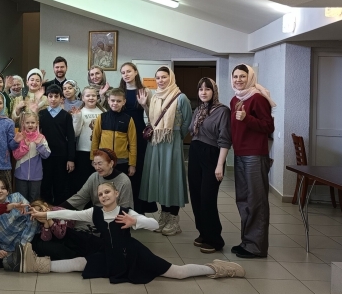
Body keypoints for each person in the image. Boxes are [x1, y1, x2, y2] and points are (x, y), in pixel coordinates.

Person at [21, 183, 245, 282]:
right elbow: (70, 213)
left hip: (133, 254)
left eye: (107, 192)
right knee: (79, 263)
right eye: (100, 194)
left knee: (176, 273)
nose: (104, 196)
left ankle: (216, 268)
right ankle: (37, 265)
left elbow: (154, 224)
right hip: (109, 255)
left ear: (116, 194)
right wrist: (46, 213)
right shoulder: (94, 212)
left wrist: (135, 220)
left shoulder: (127, 212)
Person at [138, 67, 192, 235]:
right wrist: (144, 105)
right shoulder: (154, 97)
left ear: (171, 77)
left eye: (164, 77)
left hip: (171, 142)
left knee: (172, 179)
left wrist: (176, 136)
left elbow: (187, 122)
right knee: (160, 179)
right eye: (158, 78)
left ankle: (174, 220)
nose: (160, 80)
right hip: (156, 143)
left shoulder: (181, 97)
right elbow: (152, 119)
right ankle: (164, 215)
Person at [230, 64, 276, 258]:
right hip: (240, 154)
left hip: (255, 155)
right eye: (235, 76)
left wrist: (247, 118)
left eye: (242, 76)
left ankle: (257, 247)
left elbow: (268, 126)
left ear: (250, 78)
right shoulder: (235, 99)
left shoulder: (257, 98)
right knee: (243, 199)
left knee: (256, 200)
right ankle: (247, 242)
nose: (238, 80)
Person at [188, 78, 231, 253]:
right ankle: (203, 233)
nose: (203, 92)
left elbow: (225, 139)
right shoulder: (199, 109)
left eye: (207, 89)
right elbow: (192, 131)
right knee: (196, 196)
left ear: (214, 91)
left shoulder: (222, 111)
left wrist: (220, 165)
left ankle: (215, 239)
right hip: (195, 153)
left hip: (212, 156)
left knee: (208, 198)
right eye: (200, 89)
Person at [118, 62, 157, 214]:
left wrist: (144, 104)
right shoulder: (120, 91)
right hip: (122, 133)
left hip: (139, 133)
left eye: (128, 71)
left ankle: (139, 210)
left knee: (138, 170)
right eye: (123, 72)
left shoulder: (144, 90)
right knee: (123, 169)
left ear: (135, 72)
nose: (126, 74)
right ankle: (123, 208)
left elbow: (152, 116)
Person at [0, 177, 38, 265]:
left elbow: (32, 218)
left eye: (3, 188)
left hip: (32, 237)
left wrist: (23, 244)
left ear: (7, 191)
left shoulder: (17, 198)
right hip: (12, 251)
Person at [60, 149, 134, 214]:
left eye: (99, 164)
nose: (96, 168)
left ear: (111, 163)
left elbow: (126, 208)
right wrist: (58, 209)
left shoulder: (124, 180)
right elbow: (80, 197)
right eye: (95, 164)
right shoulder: (94, 177)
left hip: (116, 217)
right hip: (96, 215)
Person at [38, 85, 76, 205]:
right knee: (46, 183)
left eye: (56, 96)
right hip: (45, 156)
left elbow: (71, 138)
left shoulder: (66, 115)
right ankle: (45, 209)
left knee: (60, 185)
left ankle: (59, 211)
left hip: (61, 156)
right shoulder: (41, 114)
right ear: (47, 98)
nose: (53, 99)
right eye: (50, 96)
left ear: (61, 98)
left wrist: (71, 159)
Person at [91, 88, 137, 178]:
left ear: (124, 102)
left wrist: (132, 164)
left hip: (122, 160)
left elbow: (133, 143)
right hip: (103, 159)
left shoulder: (128, 119)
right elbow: (95, 139)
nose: (115, 103)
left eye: (118, 101)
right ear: (108, 100)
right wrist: (93, 158)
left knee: (119, 183)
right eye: (113, 100)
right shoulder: (102, 117)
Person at [12, 111, 51, 201]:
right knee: (21, 201)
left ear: (37, 123)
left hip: (36, 176)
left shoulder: (41, 138)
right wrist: (25, 146)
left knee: (34, 200)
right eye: (27, 122)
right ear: (23, 123)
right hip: (21, 174)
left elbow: (46, 155)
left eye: (33, 122)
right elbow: (16, 156)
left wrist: (39, 145)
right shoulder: (20, 137)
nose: (30, 125)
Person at [71, 86, 104, 193]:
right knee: (83, 180)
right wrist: (76, 118)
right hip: (83, 151)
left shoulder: (103, 112)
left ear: (97, 97)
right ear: (82, 98)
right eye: (88, 95)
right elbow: (75, 133)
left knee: (99, 180)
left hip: (100, 151)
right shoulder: (80, 112)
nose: (91, 98)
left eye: (93, 95)